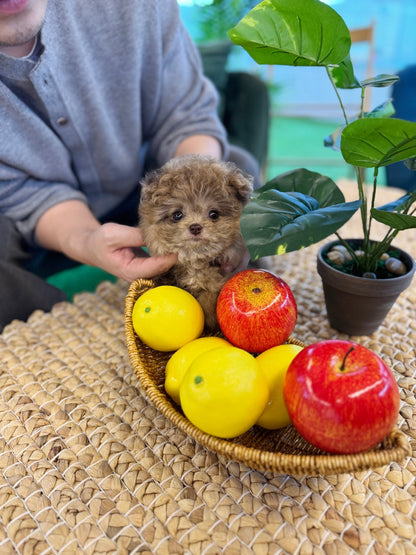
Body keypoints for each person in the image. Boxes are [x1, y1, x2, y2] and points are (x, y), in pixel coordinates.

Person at [0, 0, 260, 331]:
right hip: (31, 231)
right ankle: (55, 330)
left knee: (239, 165)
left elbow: (184, 113)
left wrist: (192, 189)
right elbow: (21, 192)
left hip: (151, 185)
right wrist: (86, 240)